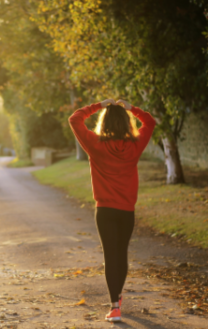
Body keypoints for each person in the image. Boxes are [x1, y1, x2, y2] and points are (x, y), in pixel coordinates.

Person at [68, 98, 156, 322]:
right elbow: (150, 122)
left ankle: (115, 306)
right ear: (126, 123)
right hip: (126, 210)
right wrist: (131, 108)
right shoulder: (135, 145)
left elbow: (75, 119)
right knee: (121, 254)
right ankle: (117, 297)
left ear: (104, 123)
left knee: (110, 256)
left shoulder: (95, 144)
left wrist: (98, 105)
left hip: (105, 210)